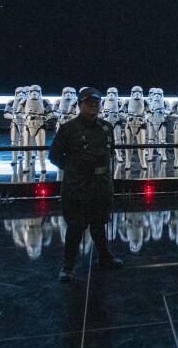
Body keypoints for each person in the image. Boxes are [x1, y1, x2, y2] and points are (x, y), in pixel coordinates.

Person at [49, 87, 123, 283]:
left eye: (96, 103)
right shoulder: (68, 129)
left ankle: (105, 257)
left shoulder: (106, 127)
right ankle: (67, 267)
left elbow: (108, 154)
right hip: (78, 187)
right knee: (75, 228)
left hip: (100, 185)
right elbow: (54, 156)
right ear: (80, 105)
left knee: (99, 225)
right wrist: (73, 170)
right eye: (89, 103)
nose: (93, 106)